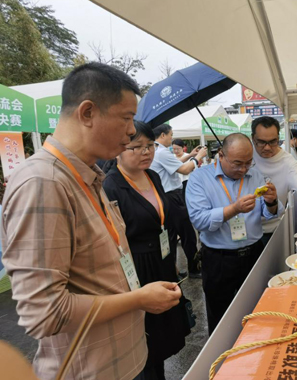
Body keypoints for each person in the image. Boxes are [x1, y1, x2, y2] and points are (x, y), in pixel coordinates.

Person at [1, 62, 182, 380]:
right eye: (126, 118)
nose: (131, 130)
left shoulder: (87, 176)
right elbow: (44, 313)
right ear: (87, 113)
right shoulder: (43, 182)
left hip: (124, 360)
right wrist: (137, 299)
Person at [103, 121, 190, 380]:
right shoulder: (111, 185)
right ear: (119, 149)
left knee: (162, 337)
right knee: (144, 339)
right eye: (136, 147)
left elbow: (163, 217)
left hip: (161, 259)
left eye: (150, 145)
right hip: (136, 268)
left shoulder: (152, 176)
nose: (146, 152)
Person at [186, 133, 283, 333]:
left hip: (254, 254)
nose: (244, 169)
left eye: (249, 163)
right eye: (237, 163)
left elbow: (268, 214)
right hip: (219, 259)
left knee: (258, 310)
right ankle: (222, 360)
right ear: (220, 155)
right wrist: (234, 209)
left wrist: (271, 202)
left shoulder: (255, 175)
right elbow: (199, 220)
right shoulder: (199, 178)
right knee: (221, 317)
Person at [251, 117, 297, 243]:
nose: (267, 147)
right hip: (246, 229)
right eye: (262, 142)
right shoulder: (246, 153)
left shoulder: (287, 161)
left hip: (273, 229)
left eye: (273, 142)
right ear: (253, 138)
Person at [151, 124, 207, 278]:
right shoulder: (162, 152)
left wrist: (191, 155)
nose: (171, 138)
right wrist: (199, 156)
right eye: (170, 135)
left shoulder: (155, 150)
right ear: (163, 135)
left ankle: (172, 271)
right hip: (173, 198)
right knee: (188, 234)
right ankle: (194, 269)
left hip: (163, 197)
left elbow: (176, 164)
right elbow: (185, 169)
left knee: (170, 237)